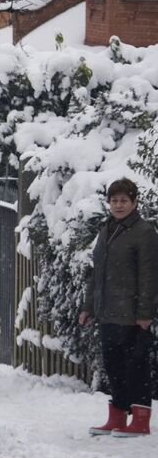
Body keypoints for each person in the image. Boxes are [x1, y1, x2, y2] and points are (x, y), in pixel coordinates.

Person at [79, 178, 158, 437]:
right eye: (114, 200)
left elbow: (149, 275)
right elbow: (97, 273)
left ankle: (141, 420)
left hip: (133, 314)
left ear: (134, 202)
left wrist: (145, 313)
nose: (119, 205)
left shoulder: (144, 232)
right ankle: (118, 416)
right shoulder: (107, 230)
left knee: (135, 367)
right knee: (113, 366)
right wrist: (89, 307)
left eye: (124, 200)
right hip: (108, 311)